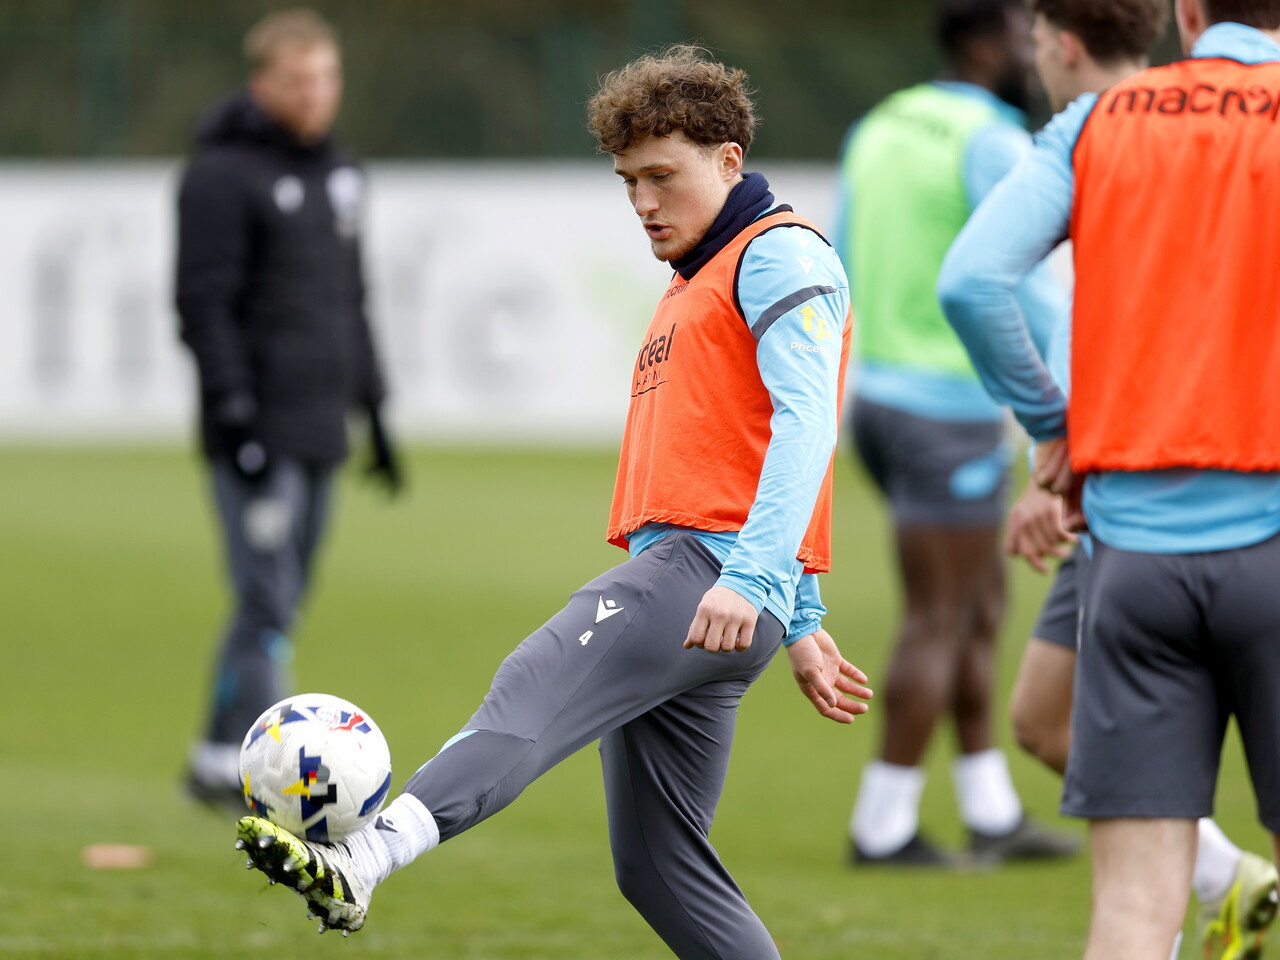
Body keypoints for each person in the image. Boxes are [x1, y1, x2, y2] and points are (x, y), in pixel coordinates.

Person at [231, 45, 872, 958]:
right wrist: (799, 620)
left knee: (532, 684)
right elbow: (745, 448)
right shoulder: (699, 273)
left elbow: (809, 423)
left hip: (705, 578)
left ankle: (364, 861)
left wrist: (763, 578)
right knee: (658, 867)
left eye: (663, 176)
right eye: (627, 182)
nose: (644, 202)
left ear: (729, 161)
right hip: (718, 594)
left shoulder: (776, 254)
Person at [939, 0, 1280, 956]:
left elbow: (971, 280)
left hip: (1132, 560)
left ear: (1187, 12)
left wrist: (1057, 431)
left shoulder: (1095, 122)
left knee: (1133, 911)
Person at [834, 0, 1076, 866]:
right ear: (981, 43)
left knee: (976, 608)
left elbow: (846, 253)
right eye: (1022, 35)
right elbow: (1035, 287)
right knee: (939, 617)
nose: (1034, 52)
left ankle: (990, 808)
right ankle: (883, 825)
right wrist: (1072, 399)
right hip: (951, 411)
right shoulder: (997, 140)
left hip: (881, 402)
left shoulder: (880, 126)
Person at [176, 8, 401, 810]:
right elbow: (201, 303)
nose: (317, 94)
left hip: (320, 427)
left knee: (277, 600)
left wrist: (375, 412)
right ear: (263, 84)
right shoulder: (219, 174)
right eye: (300, 80)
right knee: (269, 601)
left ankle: (210, 754)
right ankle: (283, 778)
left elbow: (352, 299)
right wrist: (232, 410)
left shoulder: (340, 172)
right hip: (256, 431)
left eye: (327, 77)